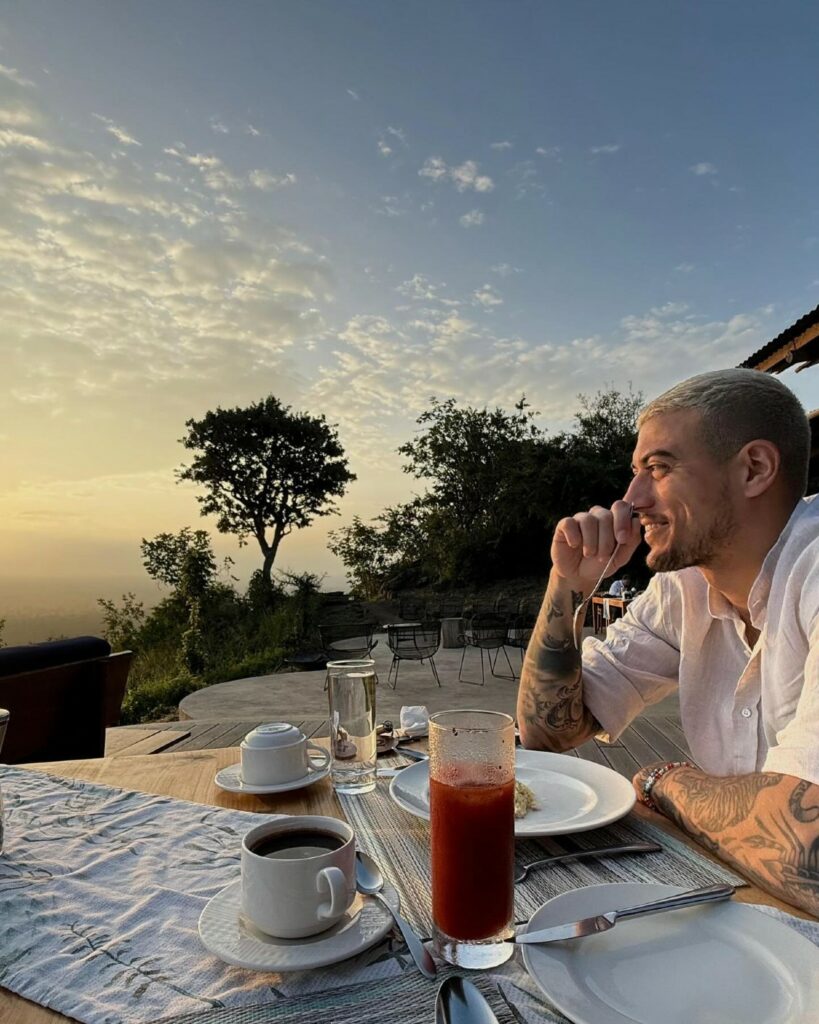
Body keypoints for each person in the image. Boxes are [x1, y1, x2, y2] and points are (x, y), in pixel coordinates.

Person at [517, 368, 819, 915]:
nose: (631, 500)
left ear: (754, 469)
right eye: (635, 473)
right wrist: (567, 586)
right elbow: (547, 731)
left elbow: (808, 850)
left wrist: (666, 782)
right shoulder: (684, 587)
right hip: (740, 902)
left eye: (658, 468)